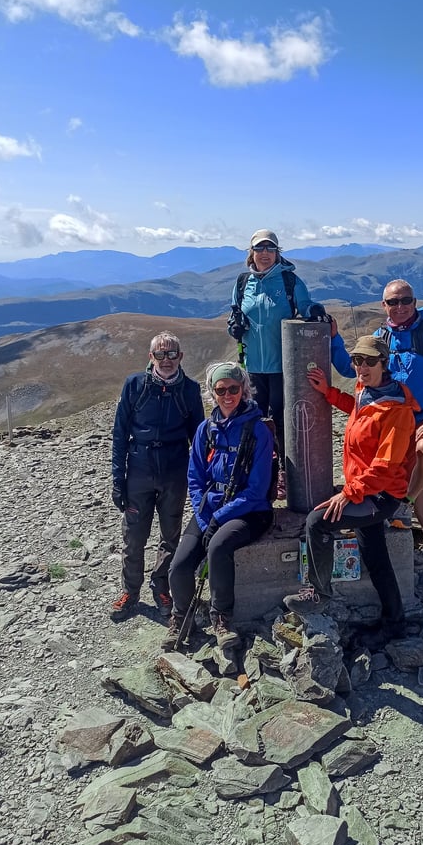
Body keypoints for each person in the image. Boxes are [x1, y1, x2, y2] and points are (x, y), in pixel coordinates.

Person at [283, 335, 418, 636]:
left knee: (318, 522)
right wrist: (329, 393)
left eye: (370, 361)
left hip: (381, 495)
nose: (362, 367)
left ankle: (319, 593)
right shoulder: (366, 392)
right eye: (357, 360)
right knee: (375, 555)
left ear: (385, 364)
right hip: (365, 488)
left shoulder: (398, 412)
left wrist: (348, 493)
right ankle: (395, 622)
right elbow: (358, 413)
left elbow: (385, 466)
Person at [331, 279, 423, 555]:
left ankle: (407, 498)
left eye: (406, 301)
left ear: (415, 303)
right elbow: (352, 367)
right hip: (395, 417)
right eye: (393, 302)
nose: (400, 306)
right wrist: (333, 339)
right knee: (404, 472)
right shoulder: (383, 337)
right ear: (384, 306)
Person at [163, 362, 274, 651]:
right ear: (212, 392)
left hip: (251, 511)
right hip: (210, 510)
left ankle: (221, 617)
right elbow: (195, 475)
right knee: (179, 565)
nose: (228, 395)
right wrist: (203, 512)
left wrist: (218, 518)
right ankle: (181, 617)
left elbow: (257, 489)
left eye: (234, 389)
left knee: (218, 547)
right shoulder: (205, 429)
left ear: (244, 390)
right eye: (221, 389)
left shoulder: (258, 431)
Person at [110, 331, 204, 621]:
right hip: (139, 468)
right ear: (151, 357)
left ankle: (161, 584)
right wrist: (117, 479)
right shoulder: (135, 385)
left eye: (172, 353)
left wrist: (204, 478)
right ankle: (130, 591)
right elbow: (119, 433)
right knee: (134, 536)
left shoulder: (189, 389)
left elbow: (198, 436)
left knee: (170, 534)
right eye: (160, 354)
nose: (166, 360)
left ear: (180, 357)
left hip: (175, 470)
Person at [227, 229, 314, 496]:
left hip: (283, 368)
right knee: (255, 421)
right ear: (251, 253)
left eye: (270, 249)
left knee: (282, 421)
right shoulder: (243, 283)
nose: (265, 254)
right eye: (259, 249)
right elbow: (235, 314)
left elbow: (306, 307)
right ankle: (261, 474)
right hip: (253, 367)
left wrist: (315, 311)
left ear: (278, 253)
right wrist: (234, 326)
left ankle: (287, 476)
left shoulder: (290, 281)